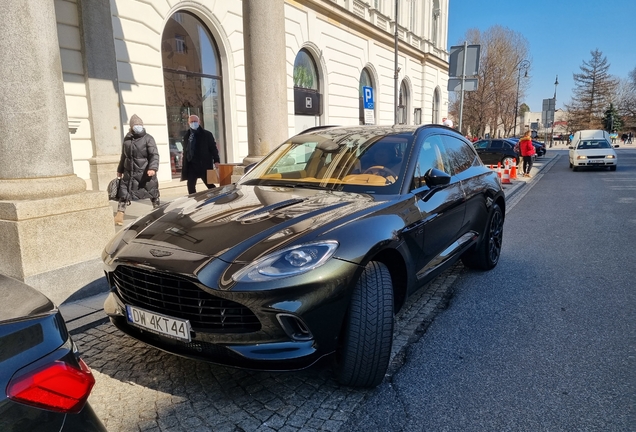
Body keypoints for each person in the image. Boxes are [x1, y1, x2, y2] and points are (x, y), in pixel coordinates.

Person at [114, 114, 160, 225]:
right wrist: (120, 169)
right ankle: (120, 215)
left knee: (152, 193)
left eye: (140, 124)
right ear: (131, 126)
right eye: (136, 125)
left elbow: (154, 154)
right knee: (124, 193)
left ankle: (158, 212)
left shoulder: (148, 138)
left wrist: (153, 168)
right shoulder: (127, 139)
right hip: (129, 173)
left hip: (145, 172)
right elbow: (123, 156)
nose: (138, 126)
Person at [181, 114, 220, 194]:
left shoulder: (207, 134)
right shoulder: (187, 136)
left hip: (203, 164)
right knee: (190, 185)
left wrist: (216, 160)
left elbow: (213, 148)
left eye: (195, 121)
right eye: (191, 122)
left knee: (209, 184)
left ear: (199, 122)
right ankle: (194, 201)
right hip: (191, 164)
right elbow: (186, 150)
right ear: (188, 123)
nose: (193, 123)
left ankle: (216, 196)